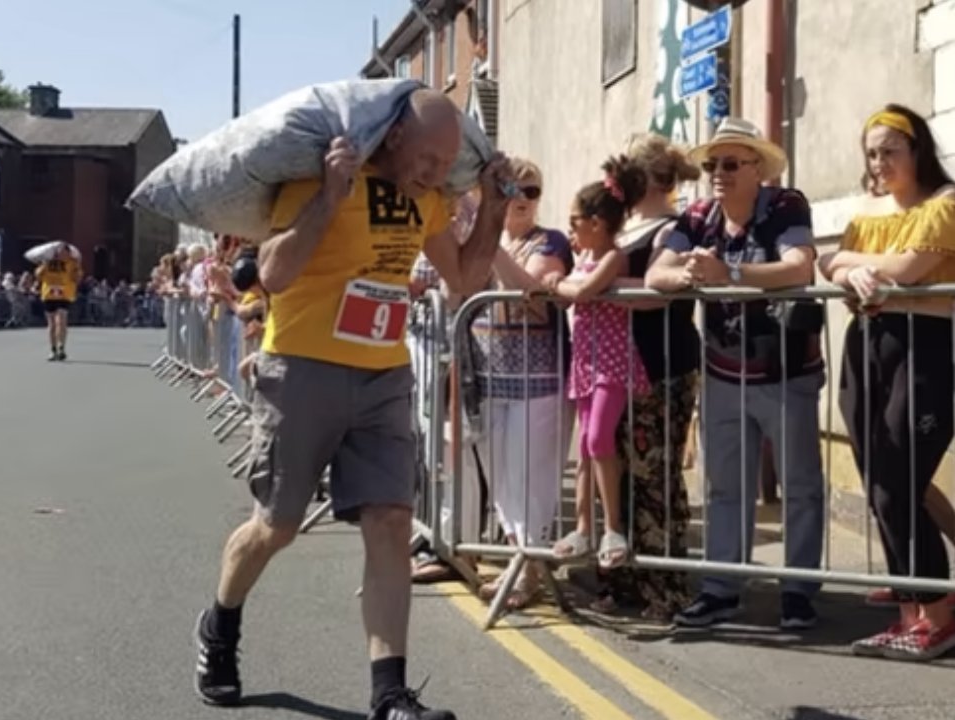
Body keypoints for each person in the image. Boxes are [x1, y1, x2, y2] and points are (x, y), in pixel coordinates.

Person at [192, 89, 510, 720]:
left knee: (390, 524)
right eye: (428, 156)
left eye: (449, 162)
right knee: (276, 526)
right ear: (393, 137)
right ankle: (219, 625)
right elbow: (274, 275)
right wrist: (326, 201)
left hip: (383, 373)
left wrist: (494, 211)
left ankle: (389, 697)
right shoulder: (319, 177)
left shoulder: (431, 200)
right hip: (303, 368)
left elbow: (465, 280)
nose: (437, 171)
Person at [649, 118, 826, 630]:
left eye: (730, 163)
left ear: (757, 169)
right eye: (711, 165)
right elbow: (660, 271)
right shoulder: (699, 215)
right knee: (725, 485)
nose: (718, 174)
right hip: (724, 371)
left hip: (786, 370)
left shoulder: (787, 205)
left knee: (800, 485)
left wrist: (726, 273)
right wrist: (685, 274)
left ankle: (798, 591)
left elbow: (799, 267)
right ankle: (721, 588)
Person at [819, 104, 955, 661]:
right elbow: (829, 263)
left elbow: (909, 269)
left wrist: (853, 265)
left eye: (891, 150)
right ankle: (911, 612)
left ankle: (938, 617)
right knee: (881, 484)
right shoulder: (870, 211)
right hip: (868, 347)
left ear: (917, 151)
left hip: (924, 349)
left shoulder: (948, 203)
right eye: (872, 152)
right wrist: (850, 268)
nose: (879, 161)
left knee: (897, 482)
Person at [574, 133, 701, 623]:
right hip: (620, 364)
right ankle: (622, 579)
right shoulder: (625, 231)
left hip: (662, 365)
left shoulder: (676, 228)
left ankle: (665, 587)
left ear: (648, 178)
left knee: (655, 475)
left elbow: (656, 292)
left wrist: (600, 286)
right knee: (619, 470)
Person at [470, 158, 573, 610]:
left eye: (532, 191)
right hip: (491, 374)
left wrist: (491, 246)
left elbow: (535, 299)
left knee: (532, 474)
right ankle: (519, 560)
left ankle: (529, 570)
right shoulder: (487, 241)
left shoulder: (549, 241)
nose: (523, 199)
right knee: (502, 476)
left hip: (540, 377)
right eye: (514, 190)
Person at [542, 156, 652, 570]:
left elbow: (584, 290)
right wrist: (563, 282)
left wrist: (558, 283)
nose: (570, 230)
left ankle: (613, 527)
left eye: (574, 221)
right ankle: (584, 528)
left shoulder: (613, 258)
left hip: (611, 362)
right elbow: (575, 285)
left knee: (598, 440)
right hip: (586, 362)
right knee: (587, 447)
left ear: (597, 222)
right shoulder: (586, 254)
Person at [35, 242, 82, 361]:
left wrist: (77, 268)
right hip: (49, 295)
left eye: (64, 252)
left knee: (61, 320)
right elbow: (38, 275)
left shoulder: (72, 263)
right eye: (59, 251)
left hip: (64, 295)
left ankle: (62, 347)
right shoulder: (47, 262)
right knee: (51, 324)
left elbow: (77, 278)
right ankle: (53, 349)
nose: (62, 254)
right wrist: (43, 265)